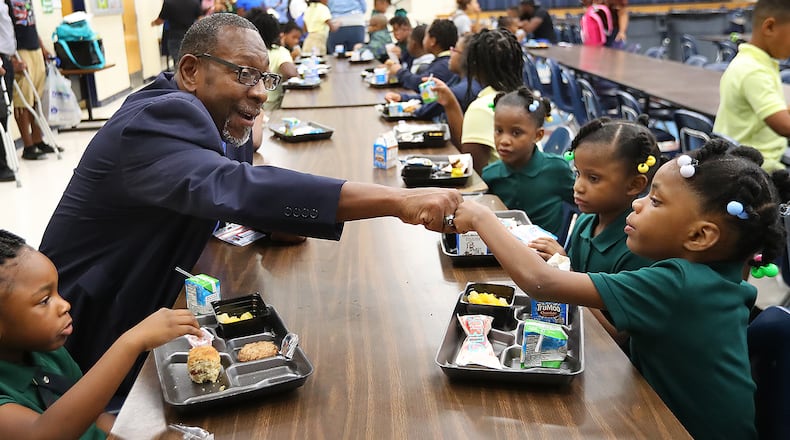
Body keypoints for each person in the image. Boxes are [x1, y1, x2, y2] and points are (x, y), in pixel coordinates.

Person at [38, 12, 462, 399]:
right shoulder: (160, 116)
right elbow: (235, 186)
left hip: (144, 299)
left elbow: (236, 195)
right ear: (190, 70)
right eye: (244, 75)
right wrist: (398, 200)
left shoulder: (213, 119)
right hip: (84, 327)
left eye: (265, 79)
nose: (260, 93)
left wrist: (273, 217)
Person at [453, 140, 787, 439]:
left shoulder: (680, 285)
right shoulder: (715, 279)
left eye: (655, 201)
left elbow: (543, 282)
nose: (638, 205)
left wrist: (483, 219)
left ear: (700, 237)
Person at [0, 230, 202, 439]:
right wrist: (130, 342)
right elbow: (43, 434)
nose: (65, 304)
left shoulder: (48, 353)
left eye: (57, 292)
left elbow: (95, 417)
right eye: (44, 300)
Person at [530, 117, 659, 345]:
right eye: (578, 173)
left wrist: (567, 273)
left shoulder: (638, 248)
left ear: (634, 185)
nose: (578, 186)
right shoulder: (585, 222)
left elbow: (618, 337)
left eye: (594, 178)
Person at [479, 87, 574, 235]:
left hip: (543, 254)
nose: (504, 141)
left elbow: (583, 206)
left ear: (538, 135)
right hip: (503, 249)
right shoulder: (490, 175)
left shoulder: (557, 169)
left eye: (516, 133)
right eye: (499, 131)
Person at [428, 28, 524, 174]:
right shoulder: (523, 99)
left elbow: (474, 173)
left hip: (502, 195)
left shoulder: (482, 107)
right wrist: (451, 104)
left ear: (474, 65)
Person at [713, 0, 790, 173]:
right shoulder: (755, 71)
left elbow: (777, 113)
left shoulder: (746, 61)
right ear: (769, 27)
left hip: (735, 160)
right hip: (758, 170)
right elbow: (784, 127)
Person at [385, 33, 480, 121]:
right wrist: (402, 98)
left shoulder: (465, 89)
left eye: (454, 50)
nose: (450, 53)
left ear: (467, 57)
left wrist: (406, 107)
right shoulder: (458, 77)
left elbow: (425, 111)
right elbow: (432, 98)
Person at [9, 0, 53, 160]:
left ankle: (38, 139)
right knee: (23, 99)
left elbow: (32, 25)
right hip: (18, 49)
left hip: (34, 47)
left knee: (37, 98)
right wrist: (10, 58)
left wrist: (42, 48)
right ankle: (28, 146)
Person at [246, 8, 297, 111]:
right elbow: (291, 73)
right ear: (276, 33)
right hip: (271, 107)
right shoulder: (279, 52)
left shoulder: (247, 52)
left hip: (251, 106)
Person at [387, 19, 457, 92]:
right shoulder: (443, 61)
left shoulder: (443, 64)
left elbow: (420, 84)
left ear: (433, 41)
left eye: (426, 36)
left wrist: (399, 71)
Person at [152, 0, 203, 70]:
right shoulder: (195, 2)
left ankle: (179, 78)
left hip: (174, 37)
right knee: (191, 60)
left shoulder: (168, 2)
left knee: (178, 62)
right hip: (190, 37)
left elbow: (160, 20)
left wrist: (153, 23)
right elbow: (201, 20)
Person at [0, 0, 16, 182]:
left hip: (6, 58)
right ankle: (1, 165)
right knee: (0, 111)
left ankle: (3, 161)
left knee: (5, 111)